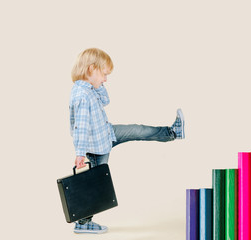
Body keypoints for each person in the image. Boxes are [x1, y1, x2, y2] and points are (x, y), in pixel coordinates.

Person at [69, 48, 185, 234]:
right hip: (96, 147)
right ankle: (83, 223)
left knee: (137, 130)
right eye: (104, 74)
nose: (105, 79)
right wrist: (80, 153)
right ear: (91, 69)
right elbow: (80, 128)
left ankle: (172, 133)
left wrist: (98, 84)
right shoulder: (82, 96)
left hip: (107, 133)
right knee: (96, 183)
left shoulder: (90, 89)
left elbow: (106, 101)